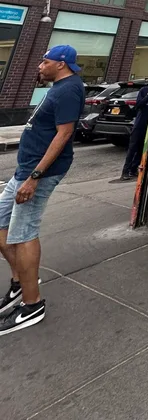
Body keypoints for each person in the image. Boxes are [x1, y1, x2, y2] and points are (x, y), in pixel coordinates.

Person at [0, 46, 85, 335]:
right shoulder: (59, 86)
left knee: (24, 233)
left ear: (61, 64)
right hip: (24, 170)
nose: (39, 65)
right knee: (0, 224)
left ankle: (32, 305)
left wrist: (35, 176)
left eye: (45, 62)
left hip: (37, 174)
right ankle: (21, 282)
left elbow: (64, 134)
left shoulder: (69, 90)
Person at [120, 83, 148, 181]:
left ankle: (133, 169)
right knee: (133, 148)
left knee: (141, 149)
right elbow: (139, 104)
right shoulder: (144, 90)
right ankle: (125, 171)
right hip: (140, 124)